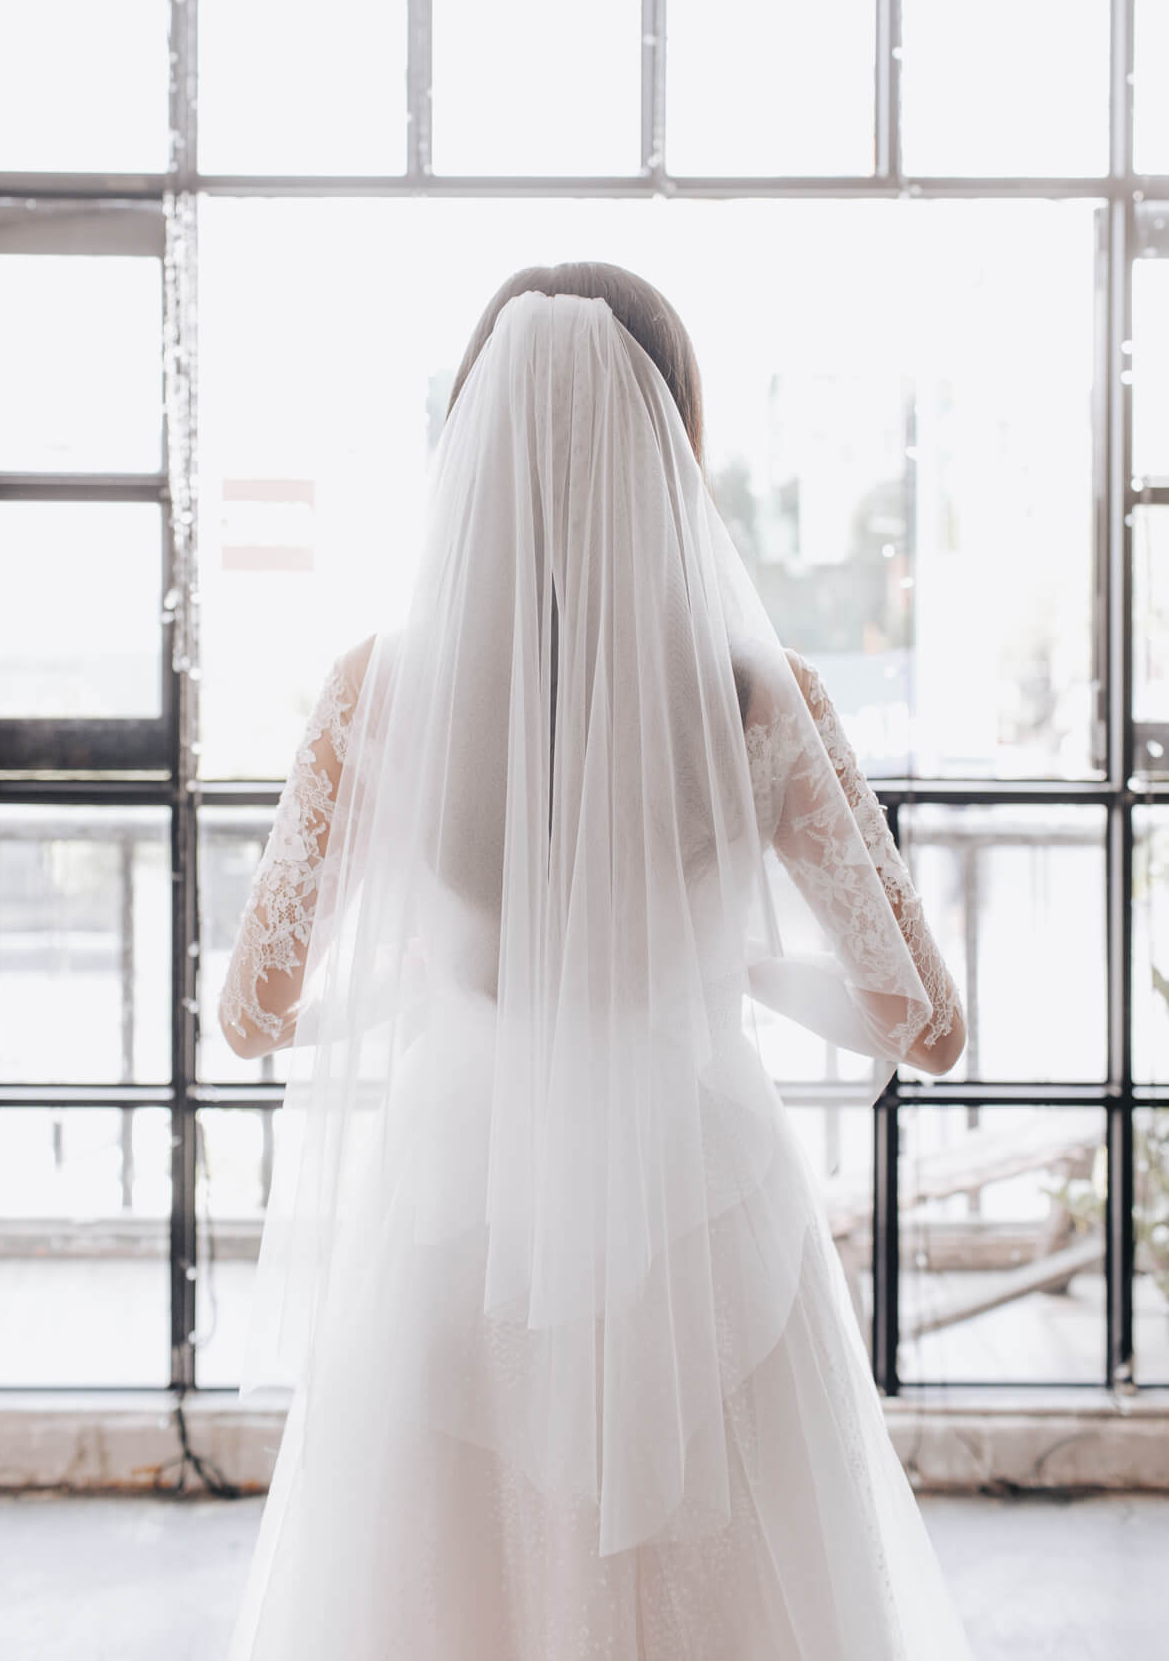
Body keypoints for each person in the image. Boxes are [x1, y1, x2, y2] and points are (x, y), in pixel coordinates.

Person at [218, 263, 973, 1660]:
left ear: (473, 440)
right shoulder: (763, 700)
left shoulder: (375, 696)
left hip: (456, 1229)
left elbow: (251, 1017)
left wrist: (431, 985)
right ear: (673, 441)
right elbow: (922, 1024)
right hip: (707, 1235)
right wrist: (726, 975)